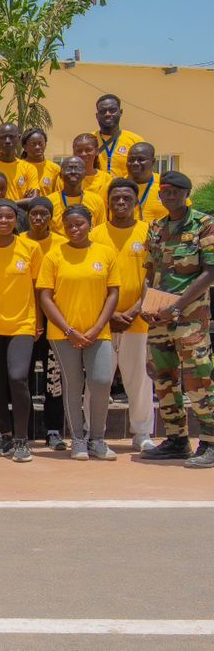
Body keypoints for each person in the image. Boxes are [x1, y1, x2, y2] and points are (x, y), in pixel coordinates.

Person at [140, 171, 214, 467]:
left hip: (190, 318)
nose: (170, 197)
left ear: (187, 193)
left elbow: (209, 272)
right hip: (159, 317)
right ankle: (176, 440)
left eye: (176, 192)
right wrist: (146, 304)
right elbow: (149, 271)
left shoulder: (204, 224)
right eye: (165, 192)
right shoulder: (156, 228)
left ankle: (209, 442)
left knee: (199, 379)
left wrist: (178, 307)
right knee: (165, 381)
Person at [38, 205, 121, 461]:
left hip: (98, 332)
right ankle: (77, 440)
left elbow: (113, 293)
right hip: (63, 335)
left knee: (101, 381)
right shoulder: (54, 256)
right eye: (69, 225)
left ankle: (97, 437)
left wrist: (96, 328)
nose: (74, 229)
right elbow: (45, 297)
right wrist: (69, 330)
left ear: (90, 224)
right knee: (73, 385)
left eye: (80, 224)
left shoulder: (105, 253)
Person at [90, 179, 156, 451]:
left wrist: (132, 311)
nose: (120, 203)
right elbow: (90, 281)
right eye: (115, 198)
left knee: (139, 379)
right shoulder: (95, 234)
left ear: (136, 202)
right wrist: (110, 314)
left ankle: (142, 433)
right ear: (107, 202)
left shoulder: (148, 233)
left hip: (138, 321)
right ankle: (94, 432)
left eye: (126, 198)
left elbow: (152, 277)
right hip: (102, 322)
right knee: (96, 380)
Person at [0, 199, 43, 462]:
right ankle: (5, 434)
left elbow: (39, 287)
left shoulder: (30, 248)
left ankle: (22, 439)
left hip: (22, 324)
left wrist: (38, 321)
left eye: (8, 217)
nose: (3, 221)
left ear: (16, 220)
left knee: (17, 377)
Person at [24, 196, 68, 449]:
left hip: (56, 323)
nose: (38, 218)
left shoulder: (62, 244)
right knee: (24, 379)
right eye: (34, 214)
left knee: (54, 380)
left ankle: (53, 430)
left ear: (52, 217)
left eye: (44, 214)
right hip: (26, 322)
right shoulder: (19, 241)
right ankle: (26, 431)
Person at [0, 123, 39, 201]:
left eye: (11, 137)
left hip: (20, 213)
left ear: (19, 138)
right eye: (3, 137)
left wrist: (3, 204)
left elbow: (34, 200)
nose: (7, 141)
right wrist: (21, 201)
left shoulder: (29, 168)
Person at [50, 154, 106, 233]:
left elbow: (100, 232)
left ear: (84, 174)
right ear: (60, 175)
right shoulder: (50, 202)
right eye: (68, 168)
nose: (73, 172)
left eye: (78, 168)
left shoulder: (97, 201)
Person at [96, 93, 144, 179]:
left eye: (112, 110)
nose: (107, 114)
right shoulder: (89, 141)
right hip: (96, 191)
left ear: (120, 112)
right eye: (103, 111)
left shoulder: (136, 141)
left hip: (125, 191)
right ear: (97, 115)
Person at [125, 143, 167, 223]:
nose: (135, 163)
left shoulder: (166, 184)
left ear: (153, 161)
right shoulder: (117, 187)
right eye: (131, 160)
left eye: (141, 159)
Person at [21, 128, 61, 197]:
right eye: (33, 144)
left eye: (40, 143)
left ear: (45, 144)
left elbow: (57, 194)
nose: (37, 147)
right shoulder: (19, 167)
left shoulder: (55, 169)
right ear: (25, 147)